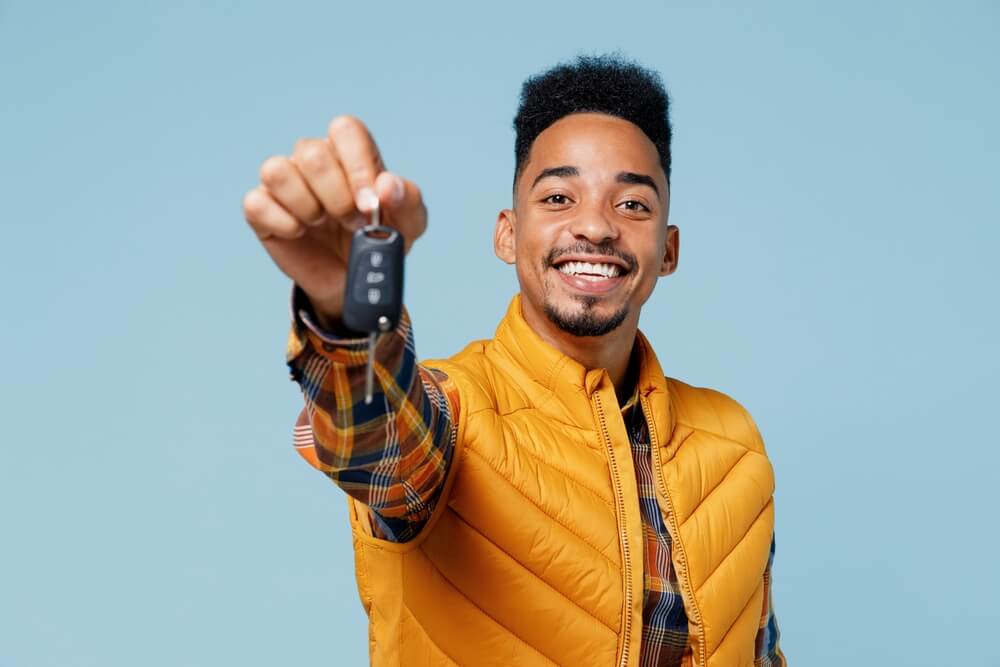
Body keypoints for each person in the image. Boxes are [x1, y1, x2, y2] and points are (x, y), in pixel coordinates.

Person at [243, 54, 785, 667]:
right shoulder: (454, 410)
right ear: (507, 234)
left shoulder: (734, 444)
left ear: (669, 249)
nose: (596, 227)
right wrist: (353, 316)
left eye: (632, 205)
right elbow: (377, 441)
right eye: (558, 196)